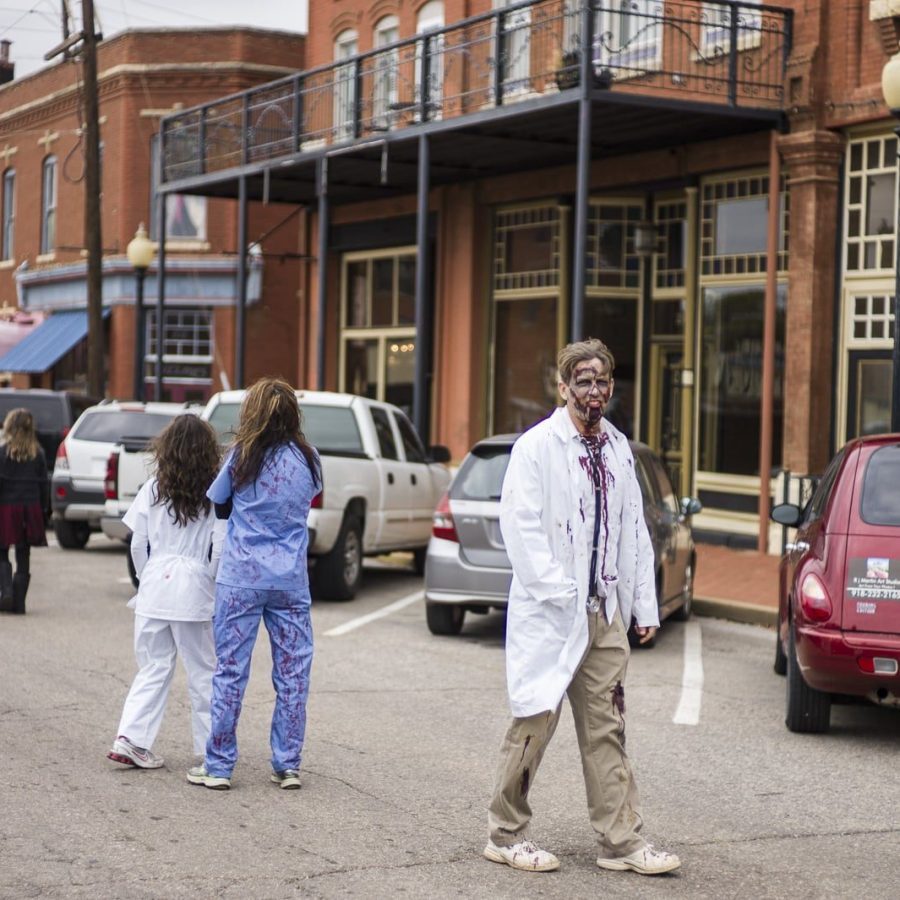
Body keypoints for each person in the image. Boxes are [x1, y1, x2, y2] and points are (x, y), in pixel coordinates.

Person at [484, 338, 681, 876]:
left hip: (605, 615)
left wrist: (642, 607)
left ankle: (622, 842)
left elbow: (632, 532)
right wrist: (560, 593)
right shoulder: (537, 447)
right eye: (583, 381)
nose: (593, 391)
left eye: (601, 381)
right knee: (533, 722)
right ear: (564, 386)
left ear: (611, 387)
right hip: (553, 614)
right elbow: (520, 528)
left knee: (607, 730)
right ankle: (505, 833)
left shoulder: (617, 448)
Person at [187, 377, 321, 792]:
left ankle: (219, 765)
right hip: (289, 580)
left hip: (241, 577)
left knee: (230, 670)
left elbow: (219, 499)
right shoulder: (309, 458)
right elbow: (311, 497)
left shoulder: (242, 455)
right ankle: (287, 764)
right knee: (293, 673)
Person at [107, 415, 224, 770]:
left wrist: (147, 578)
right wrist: (211, 582)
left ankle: (131, 738)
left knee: (153, 667)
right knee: (203, 670)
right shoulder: (215, 492)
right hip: (194, 588)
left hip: (155, 586)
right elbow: (218, 548)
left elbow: (137, 544)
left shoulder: (152, 488)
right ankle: (209, 751)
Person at [0, 408, 49, 615]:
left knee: (1, 550)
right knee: (23, 552)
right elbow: (43, 484)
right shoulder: (38, 453)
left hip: (7, 507)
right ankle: (19, 604)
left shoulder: (3, 452)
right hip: (30, 508)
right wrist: (44, 510)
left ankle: (7, 591)